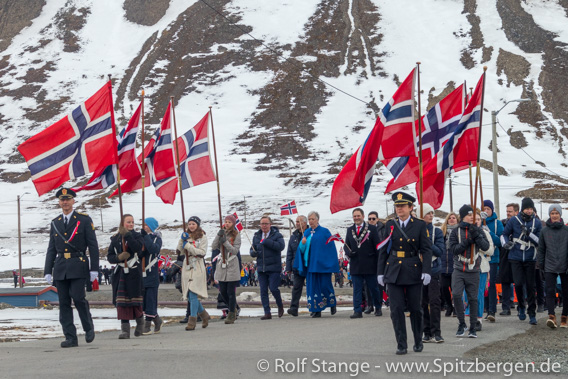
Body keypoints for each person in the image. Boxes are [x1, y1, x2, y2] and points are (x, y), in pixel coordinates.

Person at [377, 192, 432, 355]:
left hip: (413, 269)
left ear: (410, 207)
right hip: (393, 270)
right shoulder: (390, 225)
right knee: (396, 309)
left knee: (415, 308)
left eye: (402, 206)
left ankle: (417, 340)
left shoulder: (420, 225)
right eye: (397, 206)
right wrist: (380, 272)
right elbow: (383, 249)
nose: (399, 208)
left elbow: (426, 250)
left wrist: (426, 270)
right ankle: (401, 344)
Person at [44, 188, 99, 348]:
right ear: (59, 202)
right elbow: (51, 249)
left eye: (68, 199)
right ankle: (70, 337)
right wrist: (48, 270)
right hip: (61, 267)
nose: (65, 202)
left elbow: (93, 246)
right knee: (64, 302)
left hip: (78, 264)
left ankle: (88, 328)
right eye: (62, 200)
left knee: (78, 298)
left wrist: (94, 269)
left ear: (73, 201)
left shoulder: (84, 220)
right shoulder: (55, 223)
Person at [449, 205, 490, 339]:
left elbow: (485, 247)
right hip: (459, 268)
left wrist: (477, 235)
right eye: (469, 215)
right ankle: (462, 323)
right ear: (463, 217)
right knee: (456, 294)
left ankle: (473, 326)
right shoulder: (456, 232)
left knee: (473, 298)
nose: (472, 217)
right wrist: (468, 241)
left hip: (474, 269)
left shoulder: (479, 230)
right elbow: (454, 249)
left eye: (473, 215)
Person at [501, 197, 542, 325]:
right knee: (518, 284)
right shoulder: (514, 220)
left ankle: (532, 312)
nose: (529, 211)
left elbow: (539, 241)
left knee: (530, 286)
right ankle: (521, 307)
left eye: (531, 208)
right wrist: (505, 243)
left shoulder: (537, 223)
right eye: (527, 208)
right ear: (522, 209)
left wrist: (529, 233)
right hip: (515, 256)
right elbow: (504, 234)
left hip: (530, 257)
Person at [107, 214, 146, 339]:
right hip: (120, 273)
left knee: (134, 301)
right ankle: (125, 331)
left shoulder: (137, 236)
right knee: (121, 303)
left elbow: (138, 249)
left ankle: (140, 322)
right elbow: (109, 257)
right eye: (128, 222)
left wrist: (128, 236)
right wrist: (118, 257)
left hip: (133, 272)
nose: (131, 224)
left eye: (133, 222)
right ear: (122, 223)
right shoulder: (115, 238)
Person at [297, 211, 339, 318]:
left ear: (317, 219)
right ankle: (316, 309)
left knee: (325, 285)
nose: (310, 221)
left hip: (323, 265)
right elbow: (302, 250)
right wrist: (302, 244)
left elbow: (330, 249)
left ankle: (332, 303)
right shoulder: (306, 232)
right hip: (311, 265)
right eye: (309, 219)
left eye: (312, 219)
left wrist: (331, 264)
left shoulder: (324, 232)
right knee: (313, 288)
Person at [344, 208, 383, 318]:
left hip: (370, 264)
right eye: (354, 216)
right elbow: (346, 245)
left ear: (363, 216)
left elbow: (377, 247)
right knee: (357, 289)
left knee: (373, 288)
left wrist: (378, 263)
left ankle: (378, 306)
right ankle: (357, 310)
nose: (356, 218)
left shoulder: (371, 229)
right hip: (356, 264)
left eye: (358, 216)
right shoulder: (350, 229)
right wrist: (349, 252)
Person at [538, 205, 568, 328]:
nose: (554, 215)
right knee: (549, 291)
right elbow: (541, 249)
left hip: (565, 265)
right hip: (549, 264)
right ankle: (551, 316)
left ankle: (564, 317)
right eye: (552, 213)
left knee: (566, 292)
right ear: (549, 215)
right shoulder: (544, 231)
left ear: (560, 215)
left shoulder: (566, 231)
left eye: (556, 213)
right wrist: (541, 265)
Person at [178, 216, 210, 331]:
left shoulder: (202, 237)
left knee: (193, 293)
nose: (191, 226)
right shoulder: (186, 236)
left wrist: (188, 246)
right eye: (189, 224)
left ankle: (192, 321)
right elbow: (180, 251)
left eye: (193, 224)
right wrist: (182, 241)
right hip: (187, 267)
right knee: (191, 296)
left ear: (197, 225)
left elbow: (202, 253)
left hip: (197, 267)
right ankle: (204, 315)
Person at [250, 216, 285, 319]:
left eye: (266, 224)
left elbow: (281, 246)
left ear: (270, 224)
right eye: (262, 224)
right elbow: (252, 248)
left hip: (274, 267)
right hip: (261, 267)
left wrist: (267, 242)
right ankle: (267, 312)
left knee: (274, 288)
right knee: (263, 290)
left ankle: (280, 305)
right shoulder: (257, 235)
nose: (264, 226)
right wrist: (253, 253)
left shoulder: (277, 235)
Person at [420, 204, 445, 343]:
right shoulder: (416, 230)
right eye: (427, 213)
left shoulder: (437, 232)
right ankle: (426, 331)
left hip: (434, 269)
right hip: (419, 270)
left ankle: (437, 332)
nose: (431, 215)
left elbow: (440, 251)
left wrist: (427, 241)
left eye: (431, 213)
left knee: (435, 301)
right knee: (422, 302)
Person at [213, 214, 242, 324]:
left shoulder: (237, 235)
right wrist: (218, 236)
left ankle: (231, 313)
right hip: (223, 264)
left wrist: (225, 242)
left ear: (233, 224)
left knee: (231, 291)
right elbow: (214, 246)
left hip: (232, 264)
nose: (227, 224)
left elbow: (234, 251)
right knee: (223, 291)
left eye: (229, 222)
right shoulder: (222, 233)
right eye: (225, 222)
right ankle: (233, 307)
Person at [141, 217, 163, 335]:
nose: (144, 226)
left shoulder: (157, 239)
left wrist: (145, 237)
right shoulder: (141, 237)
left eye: (146, 224)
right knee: (144, 300)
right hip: (141, 273)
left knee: (150, 299)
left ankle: (147, 324)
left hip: (151, 272)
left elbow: (153, 249)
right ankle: (157, 320)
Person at [482, 200, 503, 322]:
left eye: (488, 209)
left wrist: (489, 232)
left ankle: (492, 310)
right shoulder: (478, 223)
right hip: (481, 258)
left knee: (491, 284)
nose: (486, 211)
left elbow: (500, 241)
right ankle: (484, 308)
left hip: (493, 258)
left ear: (492, 210)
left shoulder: (497, 223)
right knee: (483, 283)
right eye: (483, 209)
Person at [498, 203, 519, 316]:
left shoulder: (520, 223)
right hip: (505, 255)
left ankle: (521, 305)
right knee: (505, 281)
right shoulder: (503, 223)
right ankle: (506, 307)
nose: (508, 213)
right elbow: (501, 235)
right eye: (507, 211)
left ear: (516, 212)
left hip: (518, 254)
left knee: (519, 282)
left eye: (510, 211)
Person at [286, 215, 308, 316]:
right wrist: (288, 268)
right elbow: (289, 252)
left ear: (304, 223)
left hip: (308, 265)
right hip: (297, 265)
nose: (297, 224)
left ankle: (314, 307)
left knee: (311, 287)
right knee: (296, 288)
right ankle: (294, 308)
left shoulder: (310, 233)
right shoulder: (293, 236)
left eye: (299, 222)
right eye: (296, 222)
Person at [440, 212, 458, 316]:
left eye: (454, 218)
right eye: (449, 218)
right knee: (444, 287)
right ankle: (449, 306)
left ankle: (456, 307)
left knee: (455, 288)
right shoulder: (442, 232)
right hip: (443, 264)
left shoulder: (458, 232)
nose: (451, 220)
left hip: (454, 264)